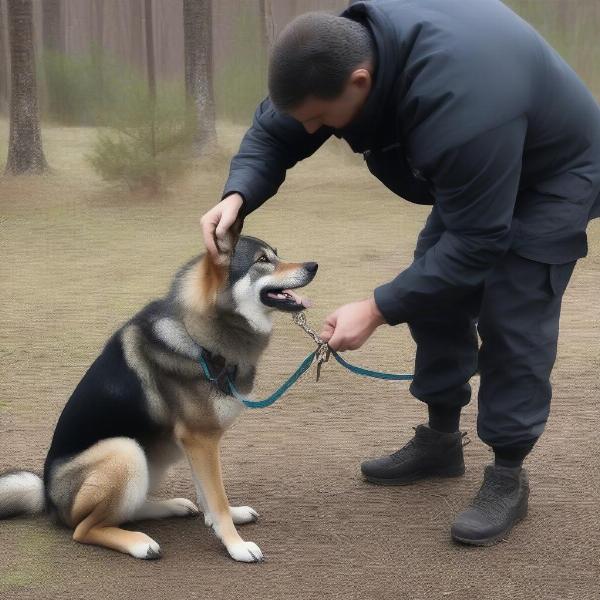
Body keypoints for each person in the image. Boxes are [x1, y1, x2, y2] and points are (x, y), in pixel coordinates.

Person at [200, 0, 600, 546]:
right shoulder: (336, 55)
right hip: (480, 169)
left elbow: (477, 241)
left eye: (321, 118)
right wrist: (237, 195)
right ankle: (441, 442)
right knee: (433, 294)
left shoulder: (461, 100)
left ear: (361, 81)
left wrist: (377, 308)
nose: (314, 129)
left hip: (553, 174)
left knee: (513, 313)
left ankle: (508, 473)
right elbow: (276, 133)